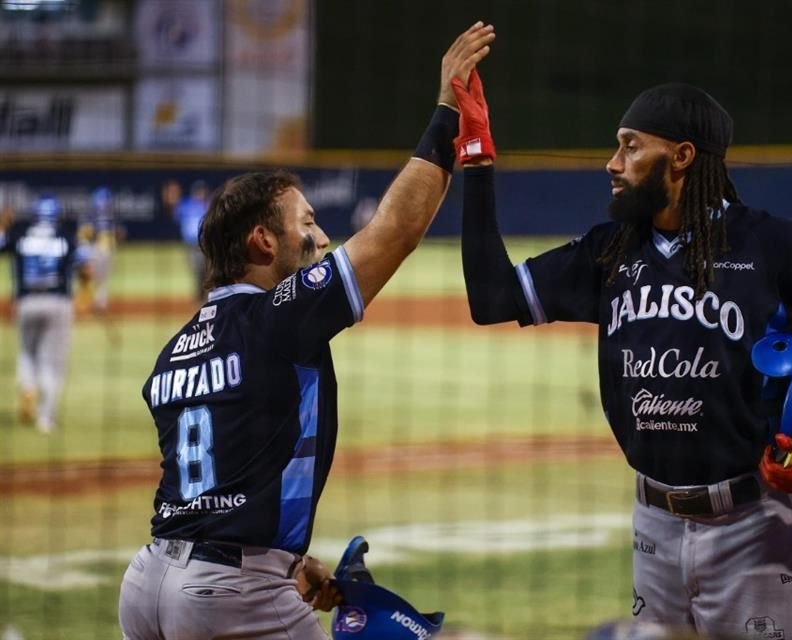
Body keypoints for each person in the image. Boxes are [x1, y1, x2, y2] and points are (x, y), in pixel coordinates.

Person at [454, 71, 792, 638]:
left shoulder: (773, 246)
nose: (612, 163)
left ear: (682, 156)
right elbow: (491, 298)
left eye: (631, 145)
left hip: (756, 530)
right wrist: (475, 159)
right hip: (653, 529)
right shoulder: (611, 252)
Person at [117, 22, 495, 640]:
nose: (321, 238)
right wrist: (449, 111)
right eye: (308, 223)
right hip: (229, 595)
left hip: (149, 583)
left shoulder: (174, 349)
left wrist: (286, 561)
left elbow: (227, 478)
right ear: (263, 241)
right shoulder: (278, 315)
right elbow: (394, 232)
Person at [0, 194, 89, 434]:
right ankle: (45, 419)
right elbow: (85, 265)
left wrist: (4, 224)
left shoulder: (21, 234)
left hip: (26, 302)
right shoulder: (65, 237)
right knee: (53, 362)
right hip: (57, 302)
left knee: (27, 352)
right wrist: (86, 290)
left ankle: (27, 386)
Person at [76, 186, 122, 315]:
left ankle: (95, 302)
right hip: (98, 251)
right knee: (97, 278)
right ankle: (96, 302)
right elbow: (84, 235)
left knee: (96, 278)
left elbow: (83, 235)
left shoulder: (93, 215)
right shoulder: (107, 216)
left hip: (100, 251)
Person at [164, 179, 209, 302]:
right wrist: (171, 197)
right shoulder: (186, 205)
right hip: (190, 244)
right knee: (196, 269)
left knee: (203, 268)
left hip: (203, 243)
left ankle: (203, 294)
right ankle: (201, 294)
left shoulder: (207, 205)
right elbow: (173, 211)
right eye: (199, 192)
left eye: (202, 192)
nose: (201, 194)